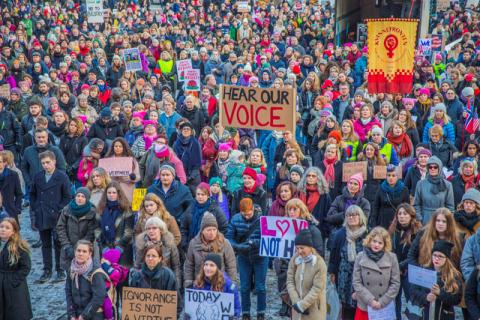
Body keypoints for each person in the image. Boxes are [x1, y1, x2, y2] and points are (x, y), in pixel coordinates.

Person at [30, 150, 71, 283]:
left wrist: (59, 209)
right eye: (43, 163)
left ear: (54, 161)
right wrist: (36, 207)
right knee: (45, 244)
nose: (45, 165)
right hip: (42, 214)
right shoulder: (38, 176)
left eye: (48, 162)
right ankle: (47, 270)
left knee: (58, 243)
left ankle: (60, 270)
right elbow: (33, 194)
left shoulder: (62, 176)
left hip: (56, 215)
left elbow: (67, 196)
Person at [226, 197, 266, 319]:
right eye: (244, 214)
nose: (247, 217)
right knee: (244, 286)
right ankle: (246, 312)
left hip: (260, 256)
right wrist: (238, 247)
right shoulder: (236, 219)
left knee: (260, 286)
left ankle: (261, 312)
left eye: (249, 214)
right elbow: (229, 238)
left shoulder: (262, 220)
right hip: (244, 256)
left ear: (253, 209)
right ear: (240, 212)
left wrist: (255, 243)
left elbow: (267, 239)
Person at [328, 205, 369, 319]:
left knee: (361, 304)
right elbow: (333, 255)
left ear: (360, 216)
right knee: (346, 306)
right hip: (344, 276)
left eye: (355, 214)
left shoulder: (367, 234)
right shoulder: (340, 234)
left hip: (362, 276)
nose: (352, 217)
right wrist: (332, 272)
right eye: (349, 215)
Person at [352, 227, 400, 319]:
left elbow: (395, 283)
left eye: (380, 243)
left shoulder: (392, 258)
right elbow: (356, 282)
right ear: (369, 240)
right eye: (374, 241)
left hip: (384, 307)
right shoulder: (360, 256)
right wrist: (371, 300)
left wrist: (382, 302)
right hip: (365, 306)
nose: (376, 245)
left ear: (385, 244)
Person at [409, 240, 463, 320]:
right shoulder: (424, 270)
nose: (436, 258)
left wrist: (440, 293)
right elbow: (413, 291)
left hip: (444, 316)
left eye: (440, 256)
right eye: (434, 255)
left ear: (446, 258)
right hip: (425, 315)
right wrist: (425, 297)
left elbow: (456, 299)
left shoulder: (454, 275)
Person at [388, 203, 422, 320]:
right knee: (394, 301)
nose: (402, 216)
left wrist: (400, 267)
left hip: (410, 271)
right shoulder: (393, 230)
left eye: (405, 214)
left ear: (411, 216)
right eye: (399, 214)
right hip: (394, 271)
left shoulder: (417, 232)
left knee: (411, 300)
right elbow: (389, 251)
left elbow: (416, 255)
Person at [183, 212, 237, 288]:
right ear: (202, 230)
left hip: (219, 284)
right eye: (208, 230)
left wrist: (232, 284)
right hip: (200, 284)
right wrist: (188, 282)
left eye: (214, 229)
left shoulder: (225, 243)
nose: (212, 233)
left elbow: (231, 266)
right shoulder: (193, 243)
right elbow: (189, 265)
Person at [286, 229, 327, 320]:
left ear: (310, 247)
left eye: (302, 248)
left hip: (314, 310)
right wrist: (296, 301)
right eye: (297, 248)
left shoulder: (319, 263)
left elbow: (317, 288)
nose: (299, 251)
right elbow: (290, 281)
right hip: (297, 309)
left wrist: (303, 305)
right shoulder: (295, 259)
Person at [56, 187, 98, 271]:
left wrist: (81, 248)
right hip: (69, 247)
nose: (80, 198)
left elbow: (91, 232)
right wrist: (66, 245)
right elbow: (60, 227)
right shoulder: (66, 210)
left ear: (87, 199)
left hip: (85, 250)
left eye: (83, 196)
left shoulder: (92, 212)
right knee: (70, 274)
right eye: (78, 196)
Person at [191, 253, 241, 318]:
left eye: (212, 265)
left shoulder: (228, 285)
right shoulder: (199, 282)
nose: (208, 268)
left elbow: (236, 308)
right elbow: (192, 306)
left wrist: (232, 316)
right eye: (206, 264)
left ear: (217, 268)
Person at [96, 182, 134, 267]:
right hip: (105, 248)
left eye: (114, 192)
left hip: (123, 249)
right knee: (107, 277)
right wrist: (104, 248)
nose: (111, 195)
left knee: (122, 277)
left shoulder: (126, 209)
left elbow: (129, 231)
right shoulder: (100, 209)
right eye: (109, 193)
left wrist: (119, 248)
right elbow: (97, 229)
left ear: (118, 194)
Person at [0, 217, 32, 320]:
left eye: (7, 228)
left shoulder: (19, 247)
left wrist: (12, 281)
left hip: (14, 287)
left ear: (13, 231)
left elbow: (26, 267)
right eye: (1, 227)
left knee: (15, 314)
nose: (3, 229)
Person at [65, 240, 106, 320]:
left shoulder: (96, 272)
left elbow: (98, 297)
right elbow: (68, 291)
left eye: (84, 251)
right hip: (76, 313)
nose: (81, 254)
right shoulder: (72, 269)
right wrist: (71, 314)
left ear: (90, 254)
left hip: (93, 314)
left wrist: (83, 316)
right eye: (78, 250)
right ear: (75, 252)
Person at [181, 182, 228, 251]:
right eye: (198, 194)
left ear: (208, 195)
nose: (200, 197)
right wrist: (185, 244)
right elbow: (184, 227)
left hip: (210, 247)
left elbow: (224, 228)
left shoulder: (215, 209)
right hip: (192, 246)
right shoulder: (191, 207)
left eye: (203, 194)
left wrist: (215, 244)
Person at [134, 217, 181, 285]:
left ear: (161, 230)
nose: (151, 231)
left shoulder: (170, 243)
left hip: (165, 281)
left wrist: (176, 285)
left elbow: (176, 267)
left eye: (154, 228)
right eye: (148, 229)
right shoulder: (141, 244)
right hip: (146, 282)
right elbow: (137, 266)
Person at [414, 156, 455, 224]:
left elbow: (450, 207)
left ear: (439, 168)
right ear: (428, 168)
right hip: (425, 219)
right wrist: (420, 219)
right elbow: (416, 204)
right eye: (430, 167)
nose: (432, 169)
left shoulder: (447, 185)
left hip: (441, 220)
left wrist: (446, 221)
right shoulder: (420, 184)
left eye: (435, 167)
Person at [296, 167, 331, 239]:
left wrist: (324, 231)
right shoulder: (300, 192)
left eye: (313, 176)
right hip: (301, 228)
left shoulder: (324, 195)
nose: (310, 178)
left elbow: (327, 213)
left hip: (318, 229)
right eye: (308, 176)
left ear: (318, 178)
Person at [371, 165, 410, 229]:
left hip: (398, 222)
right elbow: (376, 207)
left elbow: (407, 207)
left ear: (397, 176)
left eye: (393, 175)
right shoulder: (381, 188)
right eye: (389, 175)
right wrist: (374, 224)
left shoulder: (404, 189)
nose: (391, 178)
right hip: (382, 222)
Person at [103, 137, 140, 202]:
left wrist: (130, 177)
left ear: (124, 148)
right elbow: (103, 175)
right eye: (116, 146)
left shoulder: (131, 160)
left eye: (120, 146)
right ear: (113, 147)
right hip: (112, 190)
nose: (118, 148)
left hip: (127, 190)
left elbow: (138, 177)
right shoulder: (107, 160)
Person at [0, 152, 22, 223]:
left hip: (10, 210)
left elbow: (19, 194)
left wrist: (17, 209)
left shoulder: (13, 175)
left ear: (5, 163)